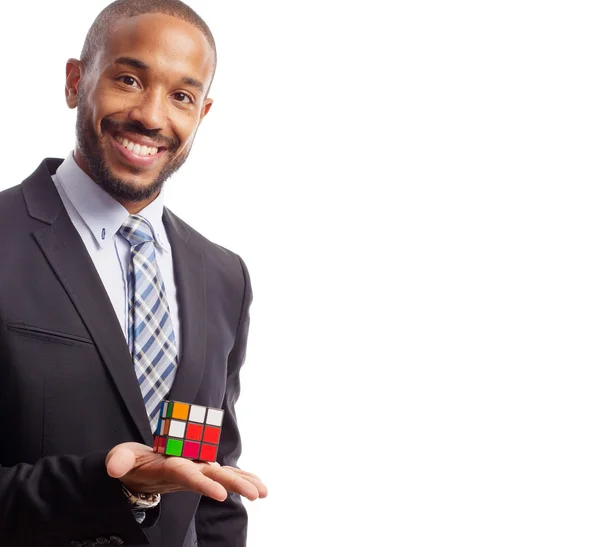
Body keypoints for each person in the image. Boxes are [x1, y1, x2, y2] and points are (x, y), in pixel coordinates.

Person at [0, 0, 267, 545]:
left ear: (202, 115)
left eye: (182, 96)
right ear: (76, 82)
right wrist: (105, 484)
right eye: (127, 79)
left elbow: (214, 486)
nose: (151, 115)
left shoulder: (223, 277)